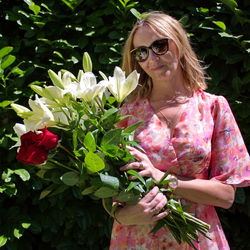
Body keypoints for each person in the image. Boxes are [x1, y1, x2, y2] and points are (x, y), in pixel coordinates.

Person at [109, 11, 250, 250]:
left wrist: (163, 179)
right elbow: (113, 196)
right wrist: (125, 216)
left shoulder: (213, 107)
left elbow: (226, 196)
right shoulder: (127, 114)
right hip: (138, 240)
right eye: (141, 52)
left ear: (179, 42)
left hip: (198, 241)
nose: (152, 58)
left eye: (159, 45)